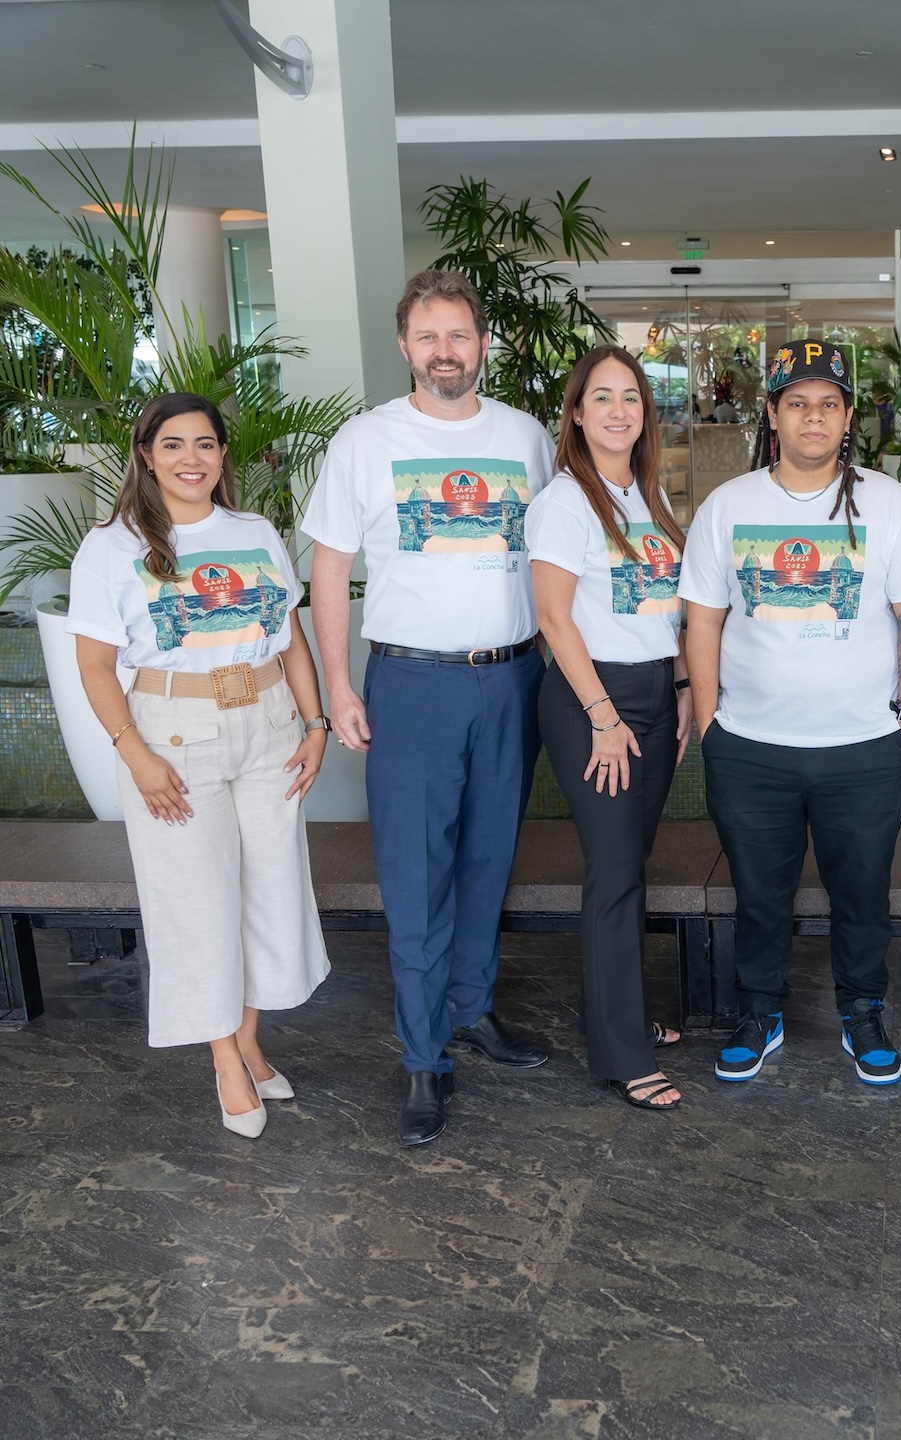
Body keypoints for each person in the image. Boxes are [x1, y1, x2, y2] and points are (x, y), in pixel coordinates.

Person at [302, 269, 556, 1147]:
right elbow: (329, 569)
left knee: (489, 861)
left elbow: (557, 559)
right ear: (405, 346)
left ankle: (474, 1010)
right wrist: (339, 684)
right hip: (412, 684)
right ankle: (422, 1057)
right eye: (428, 337)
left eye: (459, 335)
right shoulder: (366, 441)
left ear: (483, 345)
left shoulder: (526, 438)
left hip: (513, 676)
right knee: (415, 875)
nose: (445, 352)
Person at [680, 339, 901, 1086]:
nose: (812, 417)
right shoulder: (728, 506)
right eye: (796, 403)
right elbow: (702, 620)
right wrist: (712, 726)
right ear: (772, 414)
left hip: (864, 747)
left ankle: (863, 1011)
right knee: (758, 895)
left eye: (828, 404)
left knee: (862, 894)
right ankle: (759, 1010)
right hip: (750, 745)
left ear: (848, 416)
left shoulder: (888, 504)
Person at [68, 393, 331, 1138]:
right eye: (174, 444)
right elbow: (93, 665)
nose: (193, 459)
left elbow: (290, 638)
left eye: (207, 444)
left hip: (269, 724)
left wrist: (313, 725)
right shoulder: (113, 545)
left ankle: (249, 1038)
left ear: (223, 456)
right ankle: (223, 1057)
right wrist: (134, 753)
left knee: (270, 887)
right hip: (172, 732)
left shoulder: (253, 531)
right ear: (145, 453)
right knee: (196, 895)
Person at [528, 346, 691, 1112]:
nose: (620, 410)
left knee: (631, 861)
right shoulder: (567, 501)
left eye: (631, 396)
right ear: (576, 414)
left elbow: (664, 609)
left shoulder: (645, 496)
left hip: (655, 690)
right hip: (597, 701)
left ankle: (617, 1012)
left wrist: (683, 685)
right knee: (615, 871)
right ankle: (620, 1054)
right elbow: (553, 617)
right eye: (603, 397)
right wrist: (602, 716)